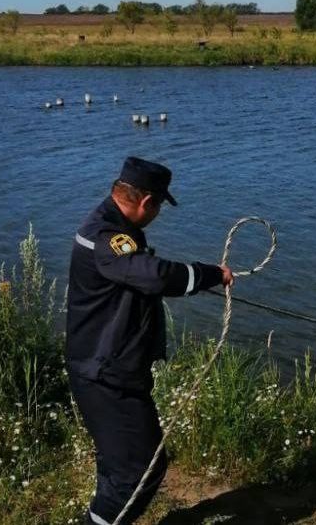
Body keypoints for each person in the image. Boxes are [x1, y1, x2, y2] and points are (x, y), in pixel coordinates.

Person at [65, 157, 233, 525]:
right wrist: (210, 275)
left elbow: (140, 278)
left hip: (112, 367)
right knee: (140, 472)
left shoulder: (113, 225)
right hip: (105, 374)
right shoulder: (106, 237)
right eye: (159, 206)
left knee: (121, 467)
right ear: (147, 202)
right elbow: (153, 276)